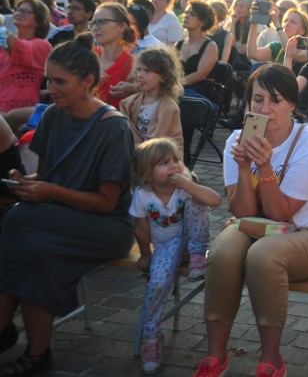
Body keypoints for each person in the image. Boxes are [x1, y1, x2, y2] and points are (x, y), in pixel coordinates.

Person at [0, 35, 135, 376]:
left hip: (106, 226)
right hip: (54, 218)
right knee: (35, 251)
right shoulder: (52, 117)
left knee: (18, 221)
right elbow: (47, 177)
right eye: (49, 80)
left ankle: (5, 331)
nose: (51, 88)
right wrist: (27, 182)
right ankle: (37, 353)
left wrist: (48, 192)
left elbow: (106, 204)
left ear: (88, 82)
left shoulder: (114, 128)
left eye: (60, 81)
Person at [192, 65, 308, 377]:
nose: (265, 109)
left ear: (292, 105)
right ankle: (215, 355)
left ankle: (271, 359)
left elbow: (280, 214)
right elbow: (243, 211)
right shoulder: (237, 137)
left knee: (263, 256)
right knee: (222, 252)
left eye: (276, 100)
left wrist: (266, 166)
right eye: (257, 100)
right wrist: (244, 168)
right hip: (256, 227)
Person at [130, 138, 221, 374]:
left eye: (176, 160)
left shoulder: (185, 187)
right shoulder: (143, 195)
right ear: (148, 173)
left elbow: (216, 201)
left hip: (193, 241)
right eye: (163, 162)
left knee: (198, 201)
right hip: (165, 248)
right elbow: (141, 228)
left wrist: (188, 184)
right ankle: (151, 337)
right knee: (158, 284)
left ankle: (197, 256)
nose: (173, 166)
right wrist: (145, 254)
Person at [119, 47, 184, 152]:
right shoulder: (129, 103)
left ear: (163, 76)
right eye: (139, 70)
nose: (140, 75)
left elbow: (161, 143)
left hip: (160, 158)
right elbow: (125, 133)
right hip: (135, 157)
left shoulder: (169, 107)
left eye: (147, 71)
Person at [0, 0, 52, 113]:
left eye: (26, 12)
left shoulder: (42, 46)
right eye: (18, 9)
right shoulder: (3, 45)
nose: (19, 13)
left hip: (18, 113)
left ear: (39, 21)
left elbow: (22, 50)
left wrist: (1, 28)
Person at [92, 3, 136, 109]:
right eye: (93, 23)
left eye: (102, 22)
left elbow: (176, 89)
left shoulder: (132, 64)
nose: (94, 28)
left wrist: (136, 88)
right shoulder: (87, 55)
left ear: (121, 27)